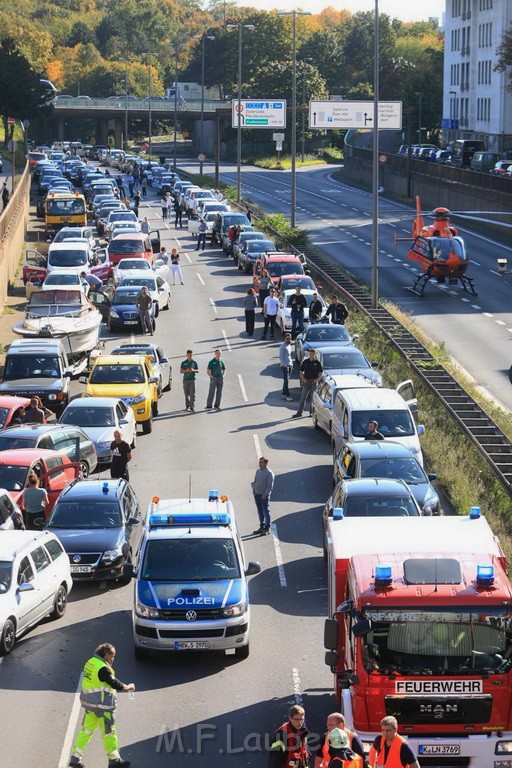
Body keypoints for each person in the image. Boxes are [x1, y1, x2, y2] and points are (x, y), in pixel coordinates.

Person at [69, 642, 135, 768]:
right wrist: (127, 687)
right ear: (105, 654)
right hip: (102, 706)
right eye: (112, 656)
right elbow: (113, 682)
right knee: (109, 733)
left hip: (90, 704)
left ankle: (75, 759)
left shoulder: (91, 662)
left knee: (86, 731)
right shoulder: (103, 668)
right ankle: (114, 760)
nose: (113, 659)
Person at [292, 348, 323, 418]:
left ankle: (311, 412)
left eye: (313, 353)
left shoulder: (317, 363)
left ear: (315, 354)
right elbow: (301, 371)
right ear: (309, 353)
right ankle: (299, 412)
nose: (311, 354)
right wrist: (303, 378)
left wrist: (317, 380)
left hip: (314, 382)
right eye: (310, 353)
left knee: (312, 398)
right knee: (303, 397)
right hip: (306, 382)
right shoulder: (305, 362)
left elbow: (321, 372)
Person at [252, 456, 274, 535]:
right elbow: (255, 481)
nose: (259, 464)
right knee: (260, 512)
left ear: (266, 463)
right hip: (257, 495)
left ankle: (266, 528)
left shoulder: (269, 473)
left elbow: (269, 487)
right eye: (259, 462)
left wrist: (264, 496)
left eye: (261, 462)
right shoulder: (258, 471)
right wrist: (254, 491)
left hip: (263, 497)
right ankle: (261, 526)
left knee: (265, 512)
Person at [279, 332, 293, 401]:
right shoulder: (283, 346)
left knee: (286, 380)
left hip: (290, 365)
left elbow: (289, 356)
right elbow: (281, 356)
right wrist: (284, 365)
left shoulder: (289, 345)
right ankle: (288, 395)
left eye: (290, 338)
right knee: (286, 380)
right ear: (285, 338)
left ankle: (284, 394)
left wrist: (291, 364)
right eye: (287, 338)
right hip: (285, 366)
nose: (289, 339)